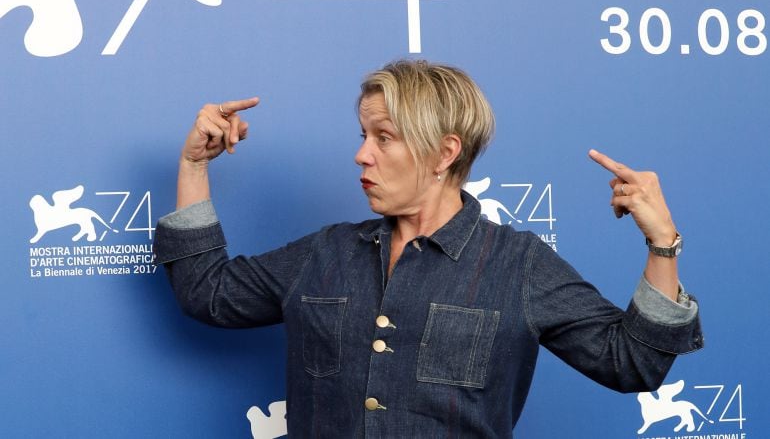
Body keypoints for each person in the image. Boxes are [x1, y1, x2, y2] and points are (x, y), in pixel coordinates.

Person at [153, 60, 702, 437]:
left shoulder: (519, 265)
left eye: (383, 137)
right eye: (362, 136)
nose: (361, 156)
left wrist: (662, 244)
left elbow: (633, 364)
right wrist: (194, 166)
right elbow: (208, 293)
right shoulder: (326, 254)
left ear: (444, 153)